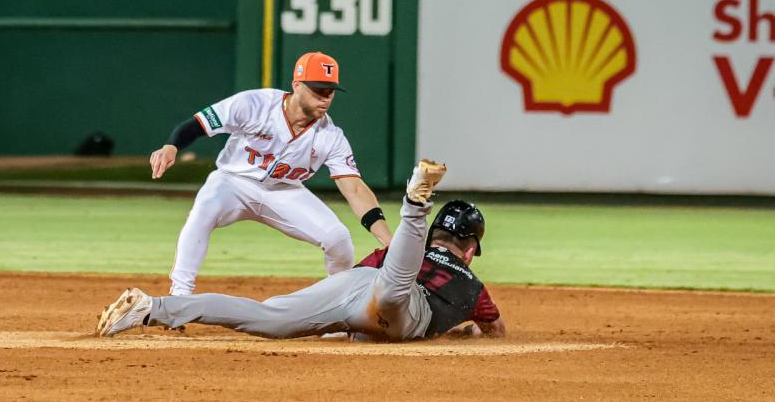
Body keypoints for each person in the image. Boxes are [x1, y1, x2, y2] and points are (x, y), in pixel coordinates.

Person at [97, 160, 507, 342]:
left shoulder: (394, 257)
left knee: (266, 316)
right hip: (400, 304)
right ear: (470, 248)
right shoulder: (473, 284)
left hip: (359, 284)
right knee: (396, 289)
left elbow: (361, 281)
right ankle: (415, 205)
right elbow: (495, 330)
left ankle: (152, 307)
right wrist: (471, 331)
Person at [149, 51, 392, 297]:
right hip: (233, 182)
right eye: (318, 89)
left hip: (285, 191)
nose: (325, 98)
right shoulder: (255, 104)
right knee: (204, 210)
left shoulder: (331, 136)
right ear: (297, 85)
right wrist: (172, 145)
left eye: (330, 91)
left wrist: (388, 239)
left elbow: (355, 189)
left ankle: (339, 306)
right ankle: (180, 295)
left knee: (338, 238)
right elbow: (198, 124)